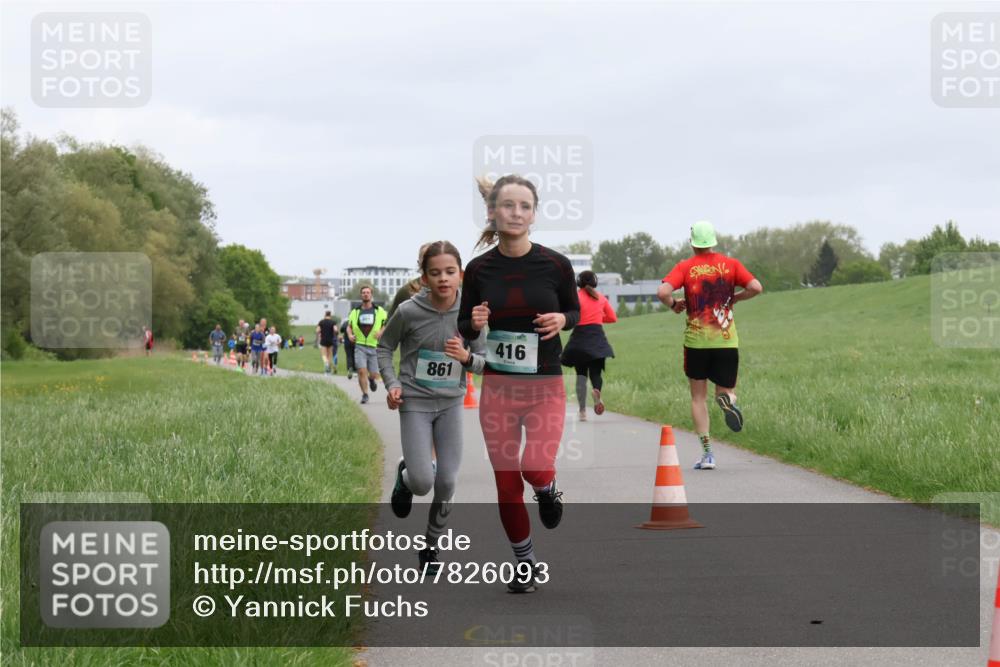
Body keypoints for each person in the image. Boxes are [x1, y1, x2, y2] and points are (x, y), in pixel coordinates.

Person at [458, 175, 580, 594]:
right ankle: (524, 563)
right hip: (498, 389)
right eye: (507, 206)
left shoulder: (556, 264)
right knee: (507, 482)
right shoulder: (477, 269)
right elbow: (463, 322)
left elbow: (575, 311)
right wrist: (473, 322)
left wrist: (563, 319)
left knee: (534, 468)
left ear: (534, 213)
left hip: (545, 385)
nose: (516, 213)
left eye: (524, 206)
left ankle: (547, 489)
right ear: (492, 212)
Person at [378, 241, 485, 574]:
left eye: (450, 272)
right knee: (423, 482)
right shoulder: (409, 311)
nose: (443, 279)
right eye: (435, 272)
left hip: (451, 403)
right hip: (415, 402)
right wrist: (393, 384)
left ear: (461, 274)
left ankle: (431, 547)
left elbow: (485, 363)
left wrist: (466, 357)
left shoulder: (471, 315)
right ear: (424, 277)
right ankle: (405, 475)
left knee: (448, 483)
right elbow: (384, 348)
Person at [657, 220, 763, 470]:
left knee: (698, 398)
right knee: (724, 391)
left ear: (693, 243)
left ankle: (708, 454)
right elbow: (756, 287)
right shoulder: (731, 264)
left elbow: (663, 292)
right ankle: (729, 401)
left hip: (696, 343)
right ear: (713, 241)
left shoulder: (685, 267)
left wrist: (674, 305)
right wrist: (735, 297)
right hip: (726, 340)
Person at [560, 271, 617, 421]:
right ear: (595, 282)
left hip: (579, 339)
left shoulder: (575, 298)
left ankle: (582, 411)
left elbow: (568, 316)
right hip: (597, 338)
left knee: (581, 376)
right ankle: (597, 390)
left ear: (578, 282)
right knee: (596, 373)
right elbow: (612, 317)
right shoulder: (601, 298)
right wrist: (597, 318)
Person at [347, 286, 388, 404]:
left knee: (374, 373)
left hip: (374, 346)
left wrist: (381, 331)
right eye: (363, 292)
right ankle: (365, 394)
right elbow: (349, 327)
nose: (365, 294)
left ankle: (372, 380)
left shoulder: (379, 310)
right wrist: (350, 335)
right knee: (361, 371)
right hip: (360, 346)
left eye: (368, 292)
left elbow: (385, 324)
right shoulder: (355, 312)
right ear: (361, 295)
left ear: (371, 295)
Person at [388, 242, 433, 318]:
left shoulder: (452, 291)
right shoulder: (406, 291)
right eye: (425, 258)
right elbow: (389, 326)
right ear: (419, 263)